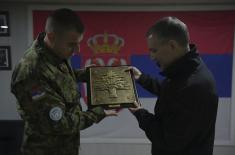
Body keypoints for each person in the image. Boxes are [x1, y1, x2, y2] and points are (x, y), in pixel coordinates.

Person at [11, 8, 117, 155]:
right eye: (72, 44)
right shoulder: (30, 71)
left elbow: (56, 78)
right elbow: (59, 123)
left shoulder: (54, 52)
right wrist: (97, 113)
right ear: (52, 37)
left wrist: (83, 75)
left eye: (78, 43)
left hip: (66, 147)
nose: (77, 50)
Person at [129, 17, 218, 155]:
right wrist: (141, 78)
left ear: (172, 45)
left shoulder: (192, 85)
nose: (151, 57)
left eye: (154, 50)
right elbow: (171, 93)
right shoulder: (189, 70)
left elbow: (167, 140)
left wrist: (140, 113)